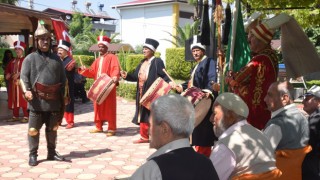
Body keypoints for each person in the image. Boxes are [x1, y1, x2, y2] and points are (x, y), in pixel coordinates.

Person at [130, 94, 219, 180]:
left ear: (164, 128)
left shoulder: (151, 171)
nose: (148, 131)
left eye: (151, 125)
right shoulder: (207, 164)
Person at [20, 20, 67, 166]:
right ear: (37, 41)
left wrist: (65, 96)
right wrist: (26, 91)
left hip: (53, 101)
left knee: (52, 129)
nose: (45, 42)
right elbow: (23, 78)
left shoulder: (57, 59)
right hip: (36, 101)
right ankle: (33, 154)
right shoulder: (30, 59)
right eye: (42, 39)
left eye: (47, 39)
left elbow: (63, 80)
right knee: (33, 130)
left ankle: (51, 153)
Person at [209, 92, 281, 180]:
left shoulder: (226, 146)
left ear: (230, 116)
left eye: (215, 113)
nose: (211, 118)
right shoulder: (261, 135)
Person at [225, 15, 279, 130]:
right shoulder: (272, 56)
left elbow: (237, 79)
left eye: (252, 38)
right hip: (265, 109)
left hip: (252, 112)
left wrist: (229, 77)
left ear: (261, 40)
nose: (249, 40)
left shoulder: (259, 59)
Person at [120, 38, 173, 144]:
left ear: (152, 50)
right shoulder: (142, 62)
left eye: (146, 49)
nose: (143, 50)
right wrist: (127, 76)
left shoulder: (157, 61)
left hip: (153, 93)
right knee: (143, 113)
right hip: (141, 92)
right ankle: (144, 136)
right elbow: (136, 76)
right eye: (143, 49)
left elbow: (163, 74)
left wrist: (170, 83)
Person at [174, 35, 217, 157]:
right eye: (193, 51)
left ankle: (204, 156)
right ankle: (198, 154)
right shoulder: (197, 65)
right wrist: (181, 87)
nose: (195, 53)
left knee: (203, 132)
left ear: (203, 51)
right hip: (195, 102)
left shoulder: (209, 62)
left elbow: (211, 78)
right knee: (196, 130)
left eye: (197, 50)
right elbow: (190, 82)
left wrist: (209, 90)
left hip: (204, 101)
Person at [263, 81, 310, 180]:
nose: (265, 99)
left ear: (284, 98)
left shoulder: (276, 125)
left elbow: (259, 157)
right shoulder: (303, 118)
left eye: (269, 95)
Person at [79, 35, 120, 137]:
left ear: (107, 47)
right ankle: (98, 126)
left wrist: (115, 76)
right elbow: (92, 72)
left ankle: (111, 128)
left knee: (110, 107)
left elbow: (115, 68)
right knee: (97, 106)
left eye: (102, 47)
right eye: (99, 47)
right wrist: (84, 70)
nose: (101, 48)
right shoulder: (97, 60)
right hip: (98, 87)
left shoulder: (112, 57)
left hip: (108, 86)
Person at [5, 41, 29, 123]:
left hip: (22, 84)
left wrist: (20, 74)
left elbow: (29, 70)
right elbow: (7, 69)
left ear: (22, 50)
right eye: (16, 49)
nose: (17, 50)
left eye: (19, 49)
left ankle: (26, 116)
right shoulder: (12, 61)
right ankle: (15, 116)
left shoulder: (26, 60)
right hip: (13, 84)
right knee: (14, 99)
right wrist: (7, 74)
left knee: (24, 99)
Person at [301, 85, 320, 180]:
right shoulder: (314, 116)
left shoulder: (316, 118)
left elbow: (305, 144)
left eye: (307, 99)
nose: (303, 102)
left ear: (318, 102)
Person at [57, 40, 76, 129]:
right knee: (58, 104)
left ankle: (70, 122)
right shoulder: (58, 60)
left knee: (68, 103)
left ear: (65, 50)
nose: (59, 51)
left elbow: (67, 71)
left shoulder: (71, 61)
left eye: (61, 50)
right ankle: (59, 120)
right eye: (58, 50)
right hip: (58, 86)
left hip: (67, 87)